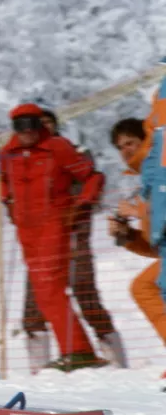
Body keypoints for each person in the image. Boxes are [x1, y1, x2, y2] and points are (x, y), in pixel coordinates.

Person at [0, 104, 106, 371]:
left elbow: (92, 176)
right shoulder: (7, 154)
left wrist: (82, 204)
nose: (28, 131)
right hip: (26, 229)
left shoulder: (57, 147)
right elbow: (1, 180)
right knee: (44, 293)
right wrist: (5, 198)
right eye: (21, 125)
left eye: (33, 124)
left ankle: (78, 350)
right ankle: (77, 351)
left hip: (54, 224)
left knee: (49, 287)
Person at [24, 105, 123, 368]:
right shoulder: (26, 160)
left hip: (74, 236)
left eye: (47, 122)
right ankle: (39, 370)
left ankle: (116, 362)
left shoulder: (73, 153)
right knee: (35, 301)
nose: (42, 128)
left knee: (85, 293)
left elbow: (90, 185)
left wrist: (76, 208)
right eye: (38, 123)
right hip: (41, 242)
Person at [107, 118, 166, 352]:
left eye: (130, 143)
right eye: (120, 147)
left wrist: (137, 211)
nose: (125, 151)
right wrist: (128, 236)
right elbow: (159, 245)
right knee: (144, 286)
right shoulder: (147, 180)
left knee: (146, 286)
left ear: (147, 140)